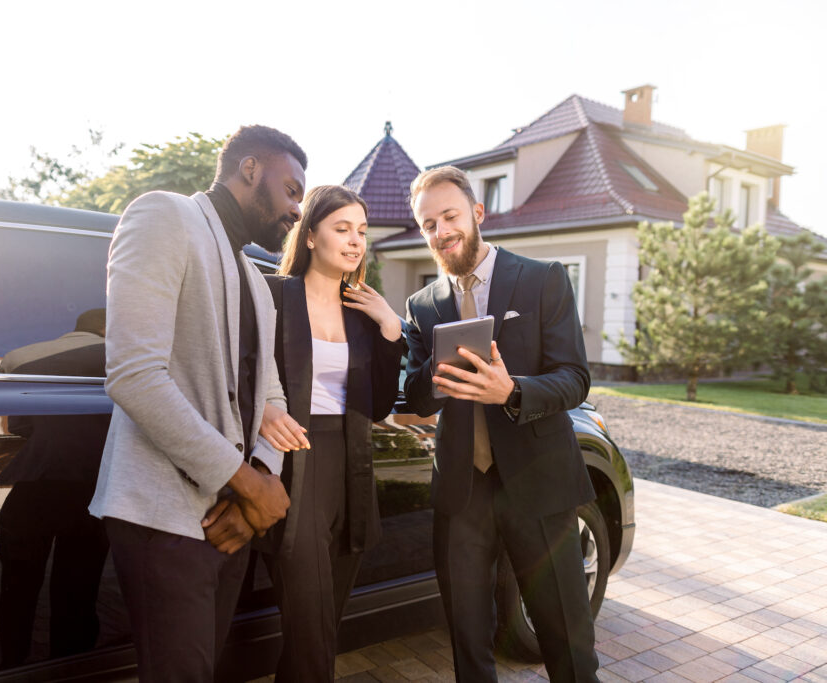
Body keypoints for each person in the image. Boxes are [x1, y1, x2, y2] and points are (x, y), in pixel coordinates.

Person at [88, 125, 304, 682]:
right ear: (251, 169)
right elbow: (134, 376)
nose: (295, 211)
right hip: (162, 517)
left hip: (230, 522)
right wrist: (251, 485)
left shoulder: (258, 283)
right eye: (291, 190)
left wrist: (254, 487)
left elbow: (271, 399)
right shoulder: (163, 216)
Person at [403, 166, 599, 682]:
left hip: (539, 486)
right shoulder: (421, 307)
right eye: (428, 224)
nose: (441, 231)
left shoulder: (542, 278)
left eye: (449, 216)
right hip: (463, 494)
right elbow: (417, 396)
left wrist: (512, 391)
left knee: (566, 639)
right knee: (468, 643)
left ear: (477, 213)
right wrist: (435, 368)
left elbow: (575, 379)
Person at [258, 186, 404, 682]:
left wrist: (389, 328)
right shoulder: (273, 295)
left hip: (352, 463)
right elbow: (237, 374)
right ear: (312, 234)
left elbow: (380, 404)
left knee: (319, 627)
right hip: (294, 460)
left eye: (362, 231)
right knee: (312, 625)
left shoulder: (362, 313)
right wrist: (261, 411)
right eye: (342, 229)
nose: (354, 241)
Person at [0, 309, 110, 667]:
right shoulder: (123, 356)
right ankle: (69, 666)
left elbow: (18, 426)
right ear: (107, 327)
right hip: (90, 491)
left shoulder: (17, 358)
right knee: (77, 592)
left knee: (17, 587)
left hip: (32, 486)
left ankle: (11, 663)